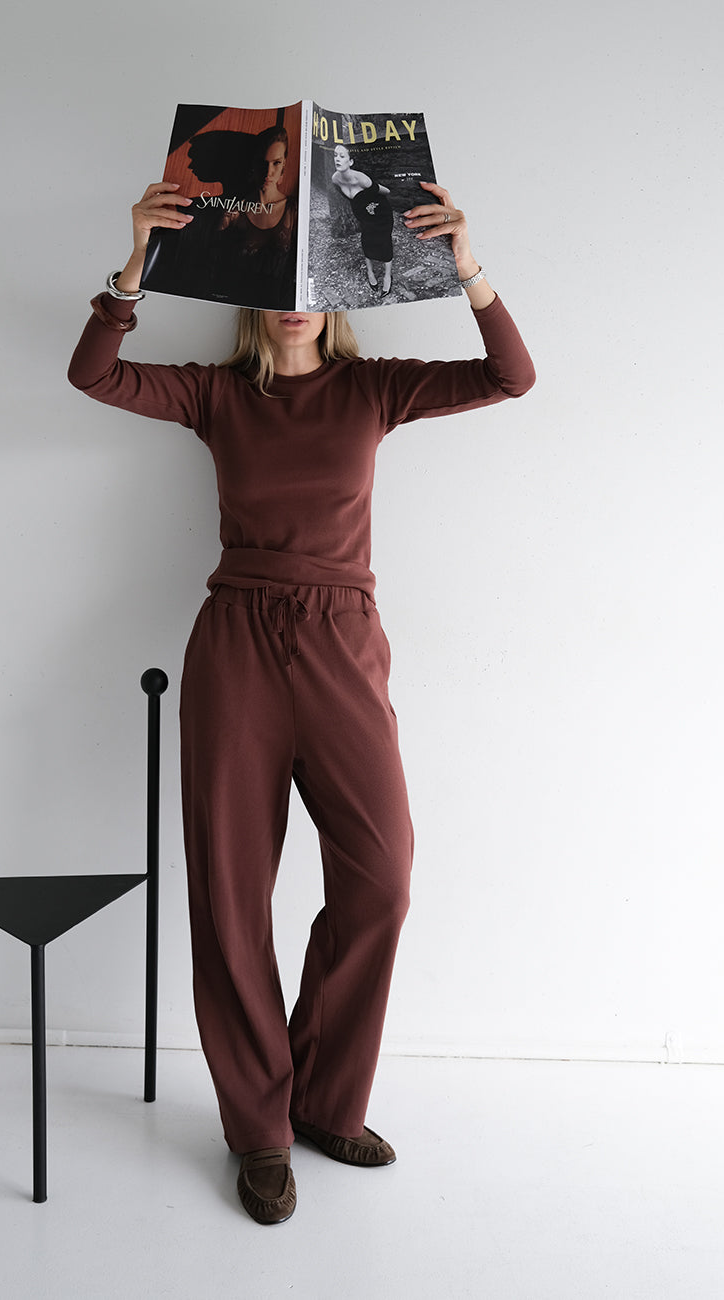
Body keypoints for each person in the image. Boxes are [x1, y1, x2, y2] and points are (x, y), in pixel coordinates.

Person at [68, 179, 535, 1225]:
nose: (295, 304)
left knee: (381, 879)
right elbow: (92, 372)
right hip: (236, 640)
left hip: (340, 641)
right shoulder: (216, 395)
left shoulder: (371, 392)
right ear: (251, 297)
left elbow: (512, 375)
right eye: (277, 285)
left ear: (340, 296)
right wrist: (136, 261)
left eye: (315, 284)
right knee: (231, 893)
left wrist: (464, 265)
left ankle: (325, 1100)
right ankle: (259, 1128)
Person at [215, 125, 297, 308]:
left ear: (284, 164)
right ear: (254, 164)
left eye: (276, 163)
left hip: (281, 305)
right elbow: (216, 264)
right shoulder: (234, 210)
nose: (268, 172)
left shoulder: (293, 209)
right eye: (262, 162)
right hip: (238, 303)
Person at [330, 143, 395, 294]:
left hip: (380, 213)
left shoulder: (363, 180)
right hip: (363, 213)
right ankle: (370, 272)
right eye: (335, 155)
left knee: (384, 241)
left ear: (351, 162)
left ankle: (387, 276)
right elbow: (349, 197)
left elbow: (385, 191)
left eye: (342, 156)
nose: (337, 159)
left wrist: (370, 203)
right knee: (366, 240)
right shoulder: (335, 179)